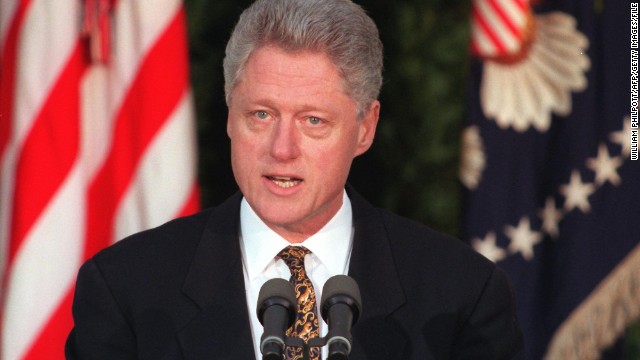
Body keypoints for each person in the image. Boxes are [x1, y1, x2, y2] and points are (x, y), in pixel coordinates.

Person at [65, 0, 524, 359]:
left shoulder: (461, 294)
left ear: (365, 128)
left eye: (313, 121)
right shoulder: (126, 289)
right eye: (261, 115)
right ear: (229, 117)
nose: (281, 149)